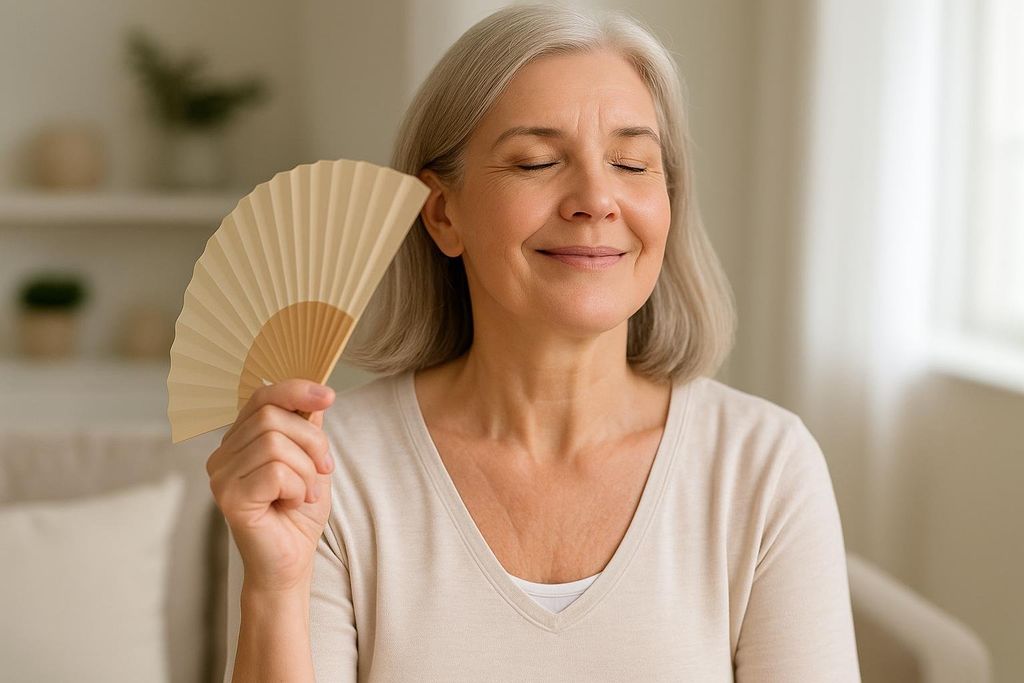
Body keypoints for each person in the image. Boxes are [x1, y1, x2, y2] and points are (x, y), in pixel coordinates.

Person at [210, 4, 862, 681]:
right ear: (442, 213)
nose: (596, 198)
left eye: (632, 164)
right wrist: (275, 586)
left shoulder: (764, 466)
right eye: (537, 161)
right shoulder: (326, 468)